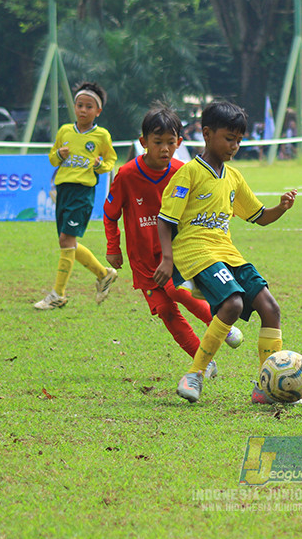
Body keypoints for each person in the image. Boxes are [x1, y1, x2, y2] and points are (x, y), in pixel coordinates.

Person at [154, 101, 297, 404]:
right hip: (196, 252)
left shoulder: (233, 177)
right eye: (229, 138)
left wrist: (280, 209)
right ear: (207, 134)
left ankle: (266, 388)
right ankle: (194, 375)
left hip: (227, 252)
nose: (234, 146)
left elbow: (259, 216)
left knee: (271, 308)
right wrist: (167, 259)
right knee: (231, 304)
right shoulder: (189, 174)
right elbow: (165, 220)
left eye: (239, 140)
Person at [104, 103, 243, 366]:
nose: (165, 149)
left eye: (171, 142)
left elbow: (206, 201)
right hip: (143, 261)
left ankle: (220, 324)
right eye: (158, 142)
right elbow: (110, 214)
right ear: (143, 142)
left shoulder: (184, 171)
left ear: (179, 142)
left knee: (179, 291)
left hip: (175, 252)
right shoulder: (127, 175)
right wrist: (114, 247)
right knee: (166, 312)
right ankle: (201, 359)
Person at [34, 82, 118, 310]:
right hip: (63, 190)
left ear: (97, 111)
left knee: (66, 241)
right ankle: (103, 274)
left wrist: (100, 164)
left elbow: (111, 161)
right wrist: (59, 155)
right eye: (79, 105)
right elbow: (52, 158)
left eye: (89, 106)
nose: (83, 110)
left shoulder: (101, 136)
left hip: (82, 192)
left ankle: (57, 294)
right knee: (67, 242)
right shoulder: (65, 131)